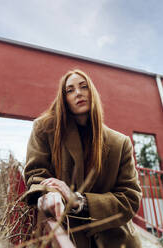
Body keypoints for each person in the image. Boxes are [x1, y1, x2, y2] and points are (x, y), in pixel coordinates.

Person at [24, 69, 142, 248]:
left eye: (83, 86)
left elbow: (130, 198)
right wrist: (49, 193)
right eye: (70, 90)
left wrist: (79, 201)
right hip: (70, 237)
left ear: (92, 92)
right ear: (63, 98)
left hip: (118, 240)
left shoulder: (120, 142)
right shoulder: (44, 129)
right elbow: (37, 173)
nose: (78, 93)